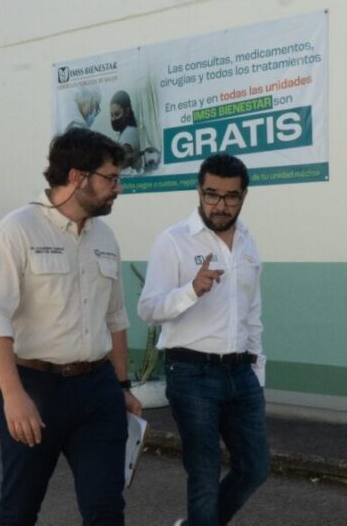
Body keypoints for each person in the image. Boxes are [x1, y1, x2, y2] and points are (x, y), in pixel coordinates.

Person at [0, 128, 142, 525]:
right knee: (19, 509)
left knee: (106, 509)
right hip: (35, 389)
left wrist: (121, 386)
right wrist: (13, 395)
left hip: (98, 391)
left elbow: (115, 317)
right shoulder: (17, 229)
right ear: (78, 177)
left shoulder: (105, 237)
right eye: (111, 178)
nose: (118, 189)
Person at [138, 153, 269, 526]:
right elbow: (148, 309)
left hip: (241, 372)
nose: (220, 205)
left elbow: (252, 313)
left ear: (243, 196)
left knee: (255, 467)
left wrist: (257, 373)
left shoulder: (248, 242)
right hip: (192, 372)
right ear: (199, 191)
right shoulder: (174, 241)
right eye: (212, 194)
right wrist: (191, 290)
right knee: (204, 474)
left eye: (231, 196)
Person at [109, 90, 142, 171]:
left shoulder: (129, 132)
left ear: (127, 111)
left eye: (117, 114)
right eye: (112, 115)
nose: (113, 119)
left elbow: (120, 162)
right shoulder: (122, 133)